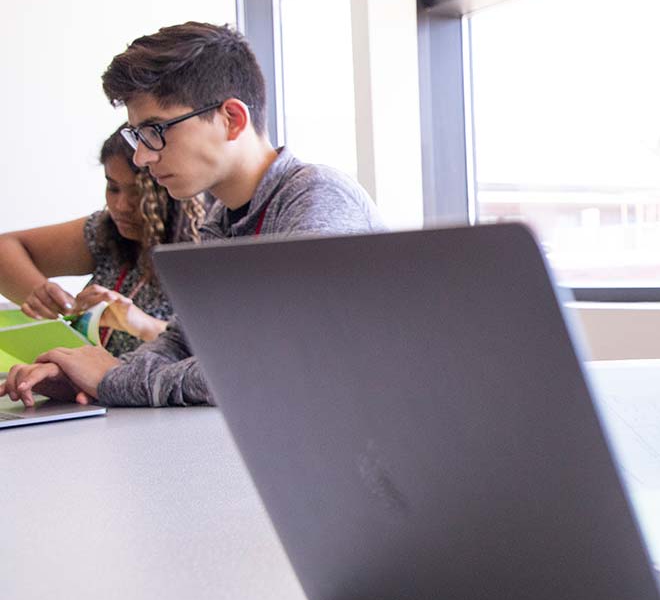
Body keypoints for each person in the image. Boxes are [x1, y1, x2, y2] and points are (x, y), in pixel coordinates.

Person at [3, 22, 384, 408]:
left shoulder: (315, 197)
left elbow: (280, 368)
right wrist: (81, 374)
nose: (142, 156)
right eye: (138, 136)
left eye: (155, 130)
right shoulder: (222, 221)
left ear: (231, 119)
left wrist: (113, 379)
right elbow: (186, 343)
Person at [0, 127, 207, 356]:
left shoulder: (206, 248)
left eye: (138, 192)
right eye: (113, 187)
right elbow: (4, 251)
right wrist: (42, 294)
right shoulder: (105, 230)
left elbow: (213, 353)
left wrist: (142, 324)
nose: (120, 206)